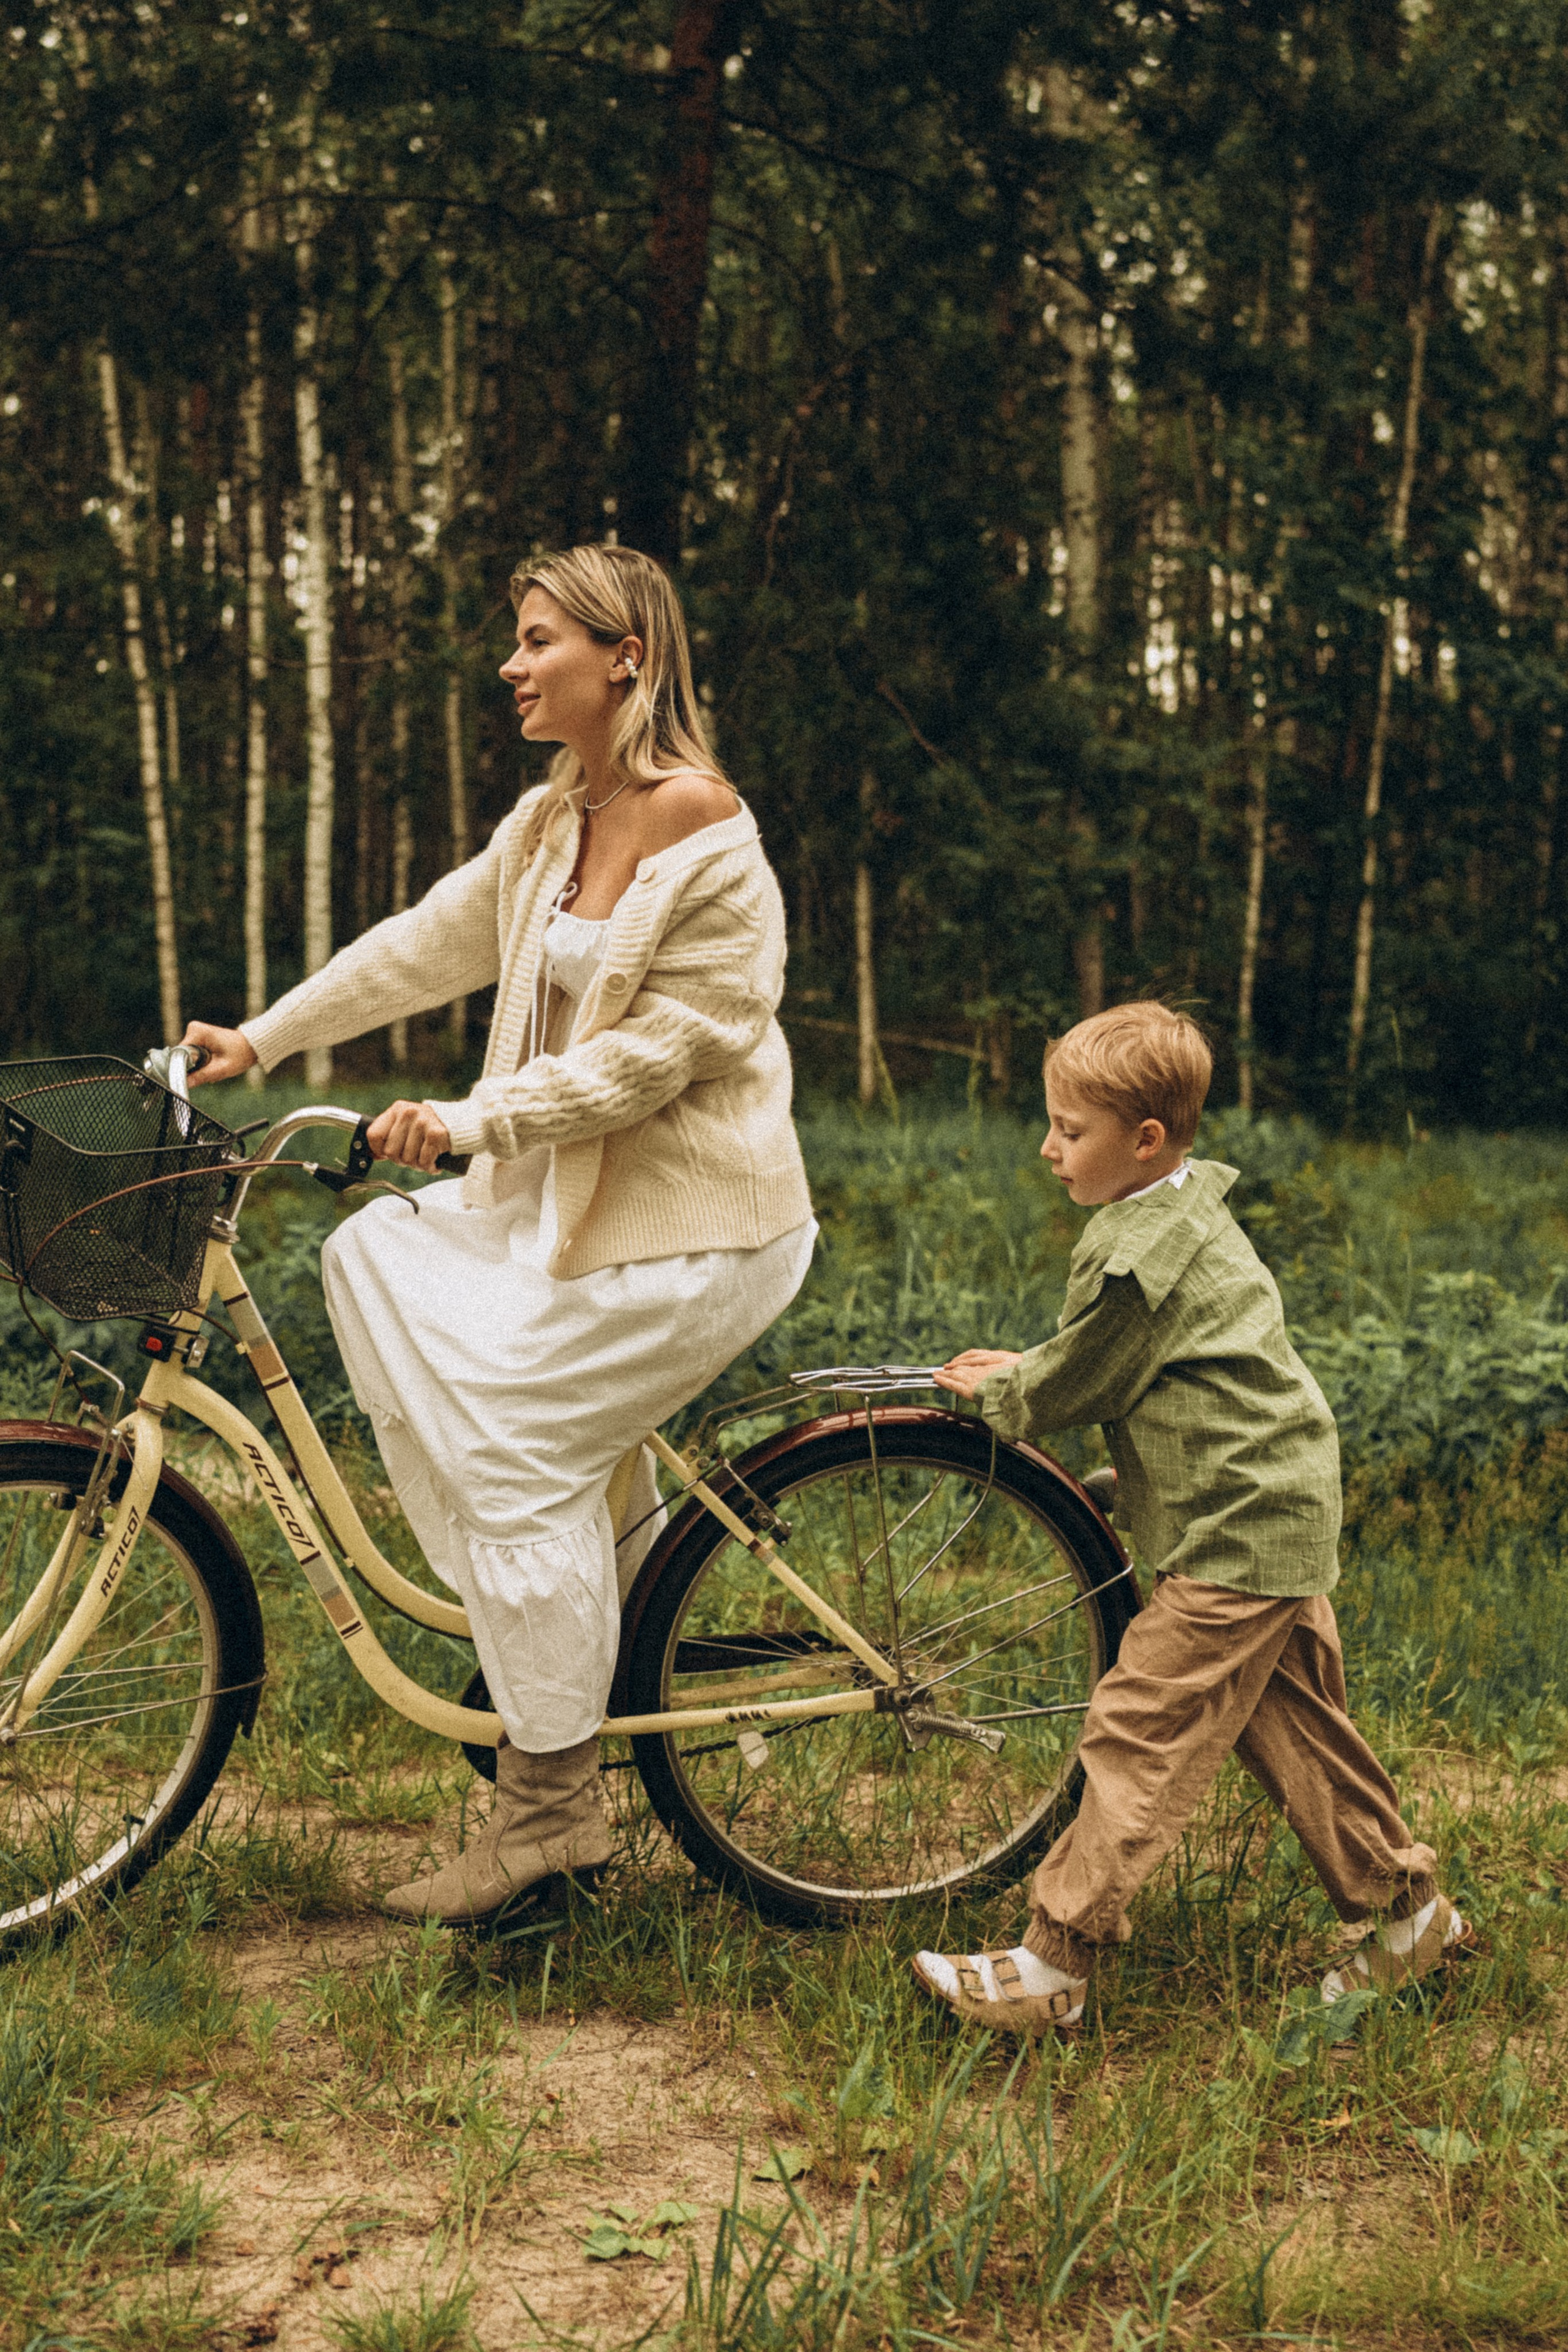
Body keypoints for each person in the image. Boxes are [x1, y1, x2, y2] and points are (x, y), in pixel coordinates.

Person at [184, 543, 816, 1925]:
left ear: (625, 657)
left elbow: (659, 1059)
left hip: (695, 1231)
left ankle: (549, 1818)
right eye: (515, 641)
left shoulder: (714, 844)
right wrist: (267, 1035)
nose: (511, 665)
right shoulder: (554, 818)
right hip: (560, 1209)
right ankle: (575, 1638)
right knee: (372, 1254)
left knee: (522, 1450)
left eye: (538, 642)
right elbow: (429, 940)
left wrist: (475, 1120)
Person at [913, 1001, 1461, 2033]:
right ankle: (1408, 1914)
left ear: (1146, 1140)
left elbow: (1087, 1375)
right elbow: (1179, 1384)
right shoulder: (1179, 1210)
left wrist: (1007, 1389)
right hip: (1271, 1505)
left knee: (1138, 1725)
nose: (1048, 1148)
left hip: (1239, 1528)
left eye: (1070, 1132)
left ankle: (1055, 1961)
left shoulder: (1138, 1258)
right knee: (1298, 1728)